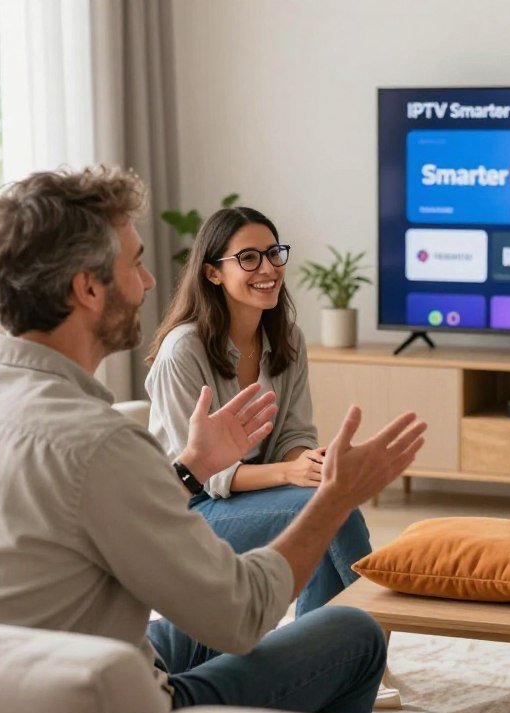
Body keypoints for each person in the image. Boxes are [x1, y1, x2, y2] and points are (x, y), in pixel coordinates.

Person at [0, 166, 426, 713]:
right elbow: (240, 616)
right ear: (88, 289)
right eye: (135, 263)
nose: (148, 282)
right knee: (354, 634)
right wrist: (333, 498)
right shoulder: (101, 442)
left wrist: (190, 467)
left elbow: (109, 514)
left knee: (181, 628)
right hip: (112, 704)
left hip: (26, 678)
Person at [145, 206, 370, 618]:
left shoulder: (288, 339)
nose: (268, 268)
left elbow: (294, 435)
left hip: (257, 495)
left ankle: (324, 646)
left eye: (273, 253)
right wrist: (289, 474)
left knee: (327, 499)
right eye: (248, 258)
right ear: (213, 273)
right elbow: (205, 474)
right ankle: (374, 617)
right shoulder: (183, 351)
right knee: (323, 509)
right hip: (189, 512)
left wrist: (311, 464)